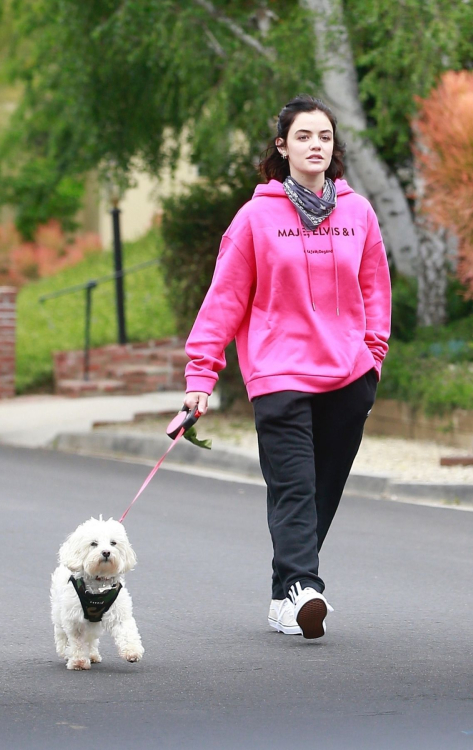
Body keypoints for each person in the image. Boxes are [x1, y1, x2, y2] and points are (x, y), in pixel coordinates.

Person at [183, 94, 391, 640]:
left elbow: (376, 290)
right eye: (303, 136)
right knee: (294, 486)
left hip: (348, 375)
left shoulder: (359, 213)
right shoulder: (257, 217)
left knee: (324, 489)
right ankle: (304, 588)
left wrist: (372, 360)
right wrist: (201, 375)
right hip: (278, 376)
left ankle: (285, 595)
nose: (315, 145)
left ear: (333, 147)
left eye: (323, 137)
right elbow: (224, 298)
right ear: (283, 146)